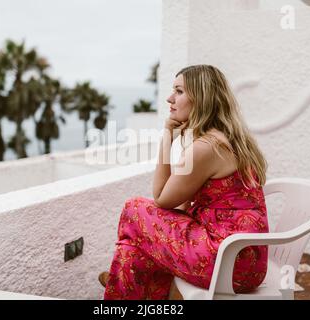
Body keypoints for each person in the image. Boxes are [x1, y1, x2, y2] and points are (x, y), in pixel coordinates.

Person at [99, 64, 269, 300]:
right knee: (138, 247)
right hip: (247, 262)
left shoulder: (205, 148)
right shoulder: (229, 139)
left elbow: (161, 198)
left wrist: (167, 135)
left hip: (226, 262)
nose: (170, 98)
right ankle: (129, 284)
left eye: (179, 91)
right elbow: (179, 206)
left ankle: (124, 289)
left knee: (134, 209)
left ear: (201, 99)